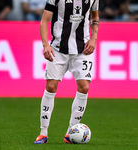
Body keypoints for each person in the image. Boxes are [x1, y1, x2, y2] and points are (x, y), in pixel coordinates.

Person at [33, 0, 99, 144]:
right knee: (50, 87)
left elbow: (95, 16)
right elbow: (44, 20)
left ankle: (71, 132)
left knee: (84, 87)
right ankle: (43, 133)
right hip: (58, 48)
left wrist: (94, 38)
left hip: (83, 49)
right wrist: (45, 45)